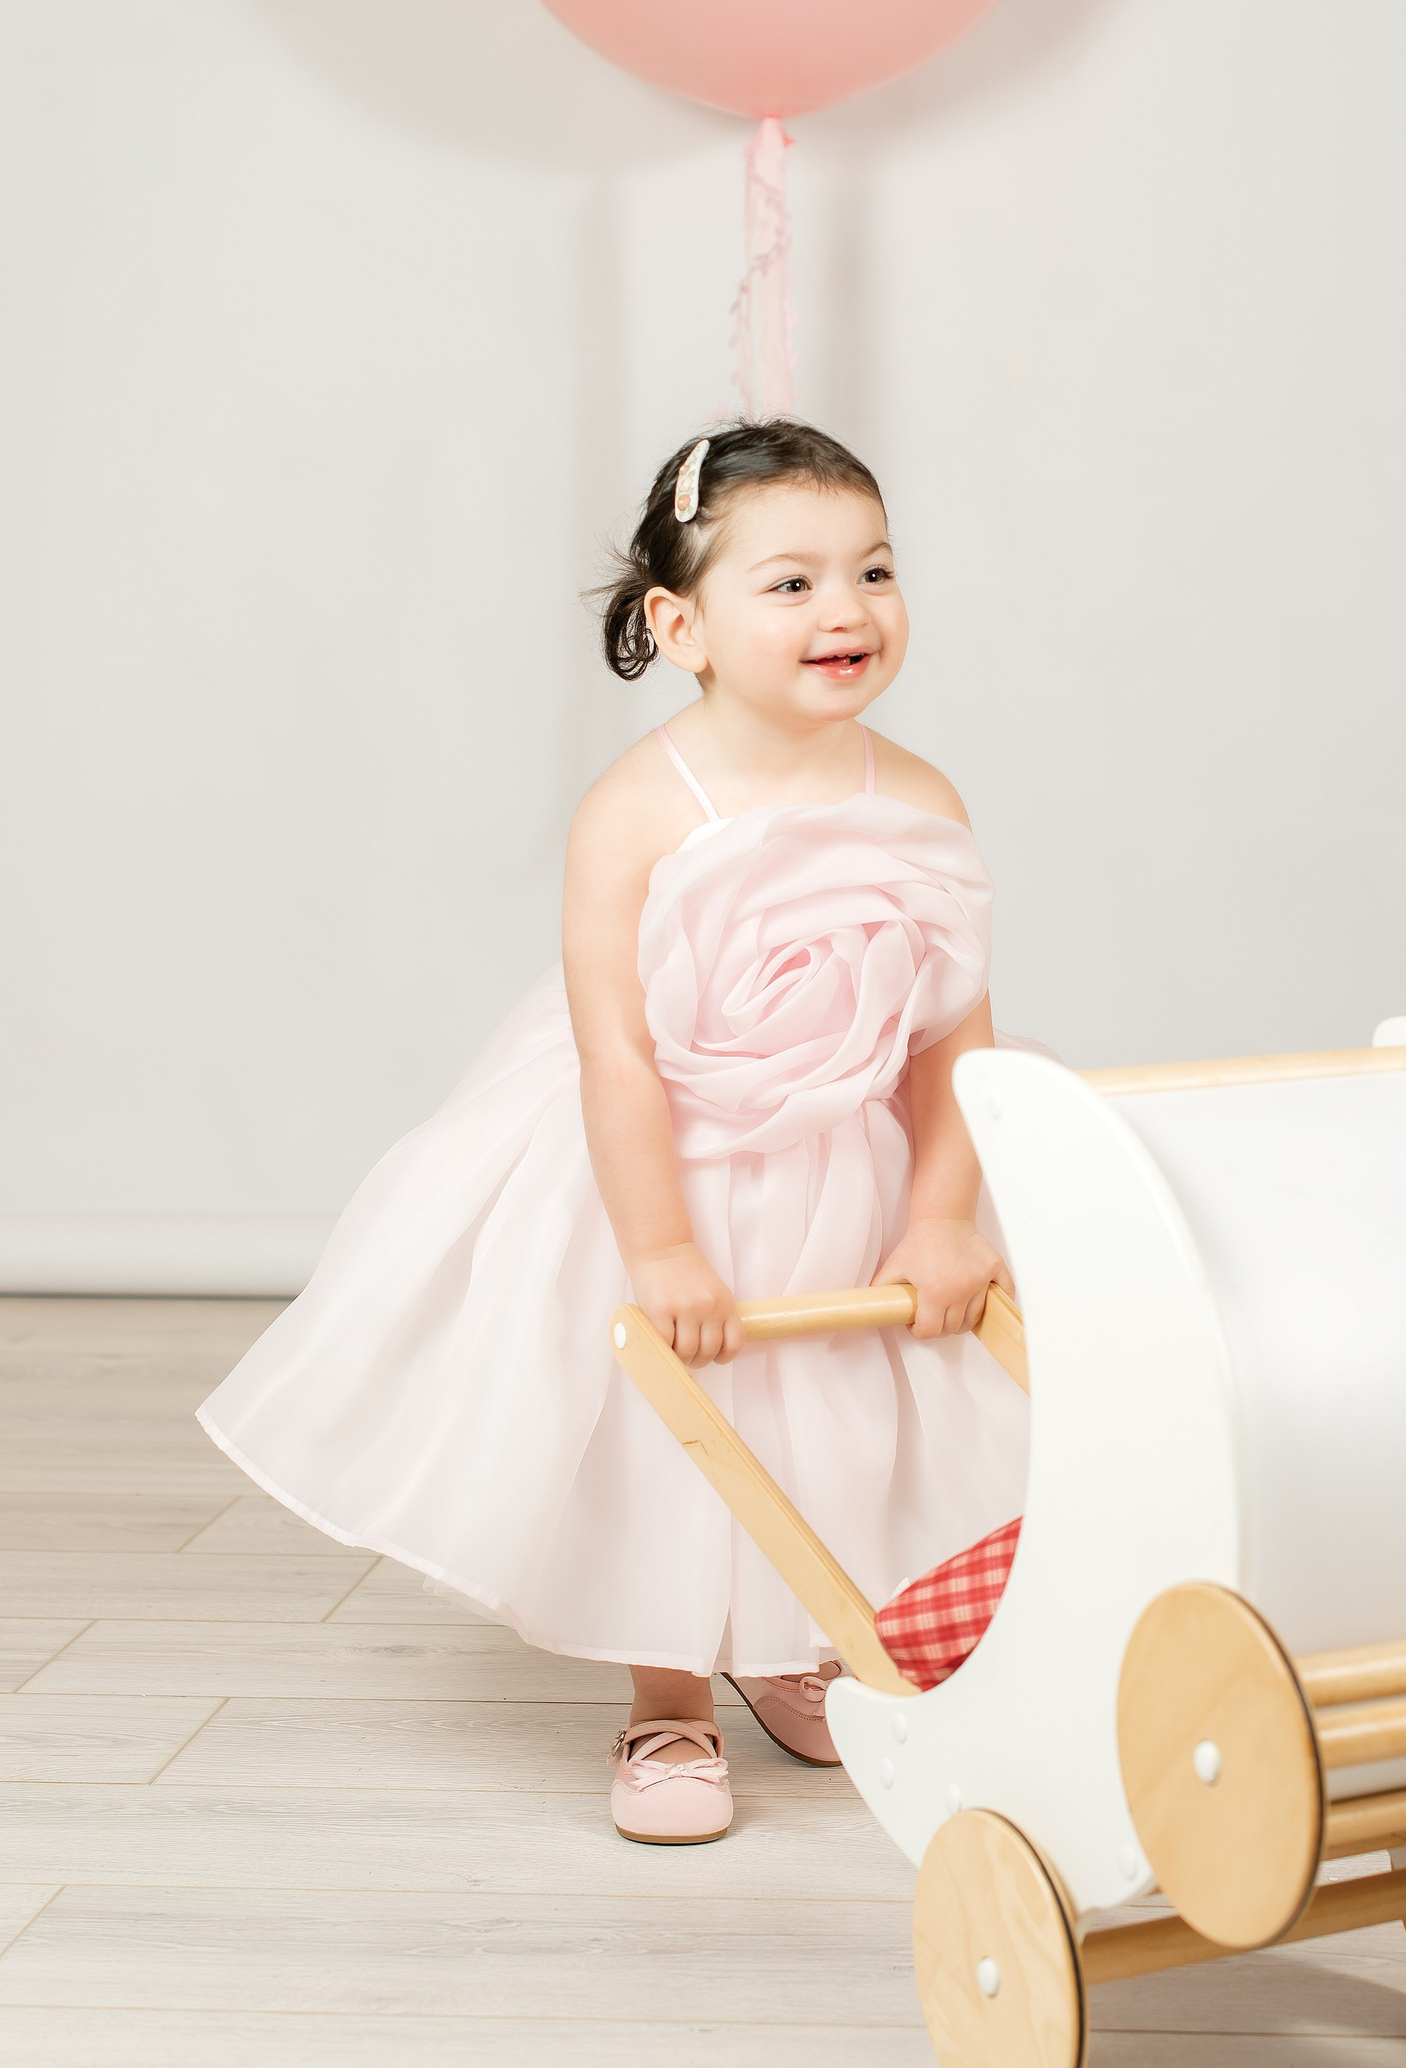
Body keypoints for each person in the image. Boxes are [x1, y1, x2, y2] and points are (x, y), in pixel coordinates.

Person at [198, 419, 1028, 1843]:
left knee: (832, 1405)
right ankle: (668, 1694)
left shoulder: (919, 797)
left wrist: (942, 1214)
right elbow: (620, 1054)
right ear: (680, 624)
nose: (846, 608)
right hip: (669, 1162)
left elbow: (954, 1038)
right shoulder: (638, 809)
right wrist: (661, 1246)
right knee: (675, 1427)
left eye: (874, 570)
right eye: (792, 582)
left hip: (842, 1158)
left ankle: (792, 1635)